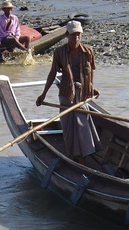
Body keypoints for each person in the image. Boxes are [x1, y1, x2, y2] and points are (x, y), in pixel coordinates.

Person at [36, 20, 102, 162]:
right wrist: (43, 94)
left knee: (82, 124)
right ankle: (73, 156)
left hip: (83, 93)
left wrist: (91, 87)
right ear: (67, 35)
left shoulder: (88, 51)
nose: (76, 38)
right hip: (67, 93)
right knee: (69, 127)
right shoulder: (59, 52)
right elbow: (52, 73)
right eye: (73, 35)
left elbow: (91, 72)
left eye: (78, 35)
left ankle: (84, 157)